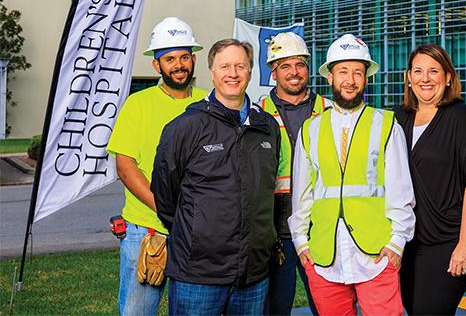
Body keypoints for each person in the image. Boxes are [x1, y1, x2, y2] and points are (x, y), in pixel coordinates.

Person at [151, 39, 281, 316]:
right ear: (212, 72)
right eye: (225, 66)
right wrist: (196, 232)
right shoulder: (186, 127)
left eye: (240, 66)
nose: (233, 73)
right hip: (198, 274)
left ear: (250, 72)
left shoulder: (267, 127)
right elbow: (165, 195)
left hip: (253, 273)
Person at [288, 34, 415, 316]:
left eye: (358, 72)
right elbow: (302, 194)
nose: (350, 80)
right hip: (324, 257)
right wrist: (301, 243)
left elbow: (401, 190)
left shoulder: (386, 124)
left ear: (366, 78)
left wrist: (397, 243)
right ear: (330, 77)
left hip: (377, 255)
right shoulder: (310, 130)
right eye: (343, 72)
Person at [106, 17, 206, 315]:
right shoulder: (138, 104)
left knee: (196, 310)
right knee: (138, 311)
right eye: (169, 59)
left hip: (200, 232)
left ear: (194, 59)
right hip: (147, 230)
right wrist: (167, 210)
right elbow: (125, 167)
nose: (179, 65)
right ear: (156, 65)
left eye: (184, 57)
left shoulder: (209, 102)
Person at [394, 44, 466, 315]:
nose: (425, 78)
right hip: (409, 239)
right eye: (418, 71)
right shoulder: (399, 118)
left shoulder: (460, 117)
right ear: (409, 78)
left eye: (433, 71)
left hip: (449, 238)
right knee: (414, 308)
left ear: (448, 78)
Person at [262, 32, 331, 316]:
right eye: (285, 66)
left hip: (322, 227)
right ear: (274, 72)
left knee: (329, 307)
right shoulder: (257, 113)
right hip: (275, 229)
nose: (294, 72)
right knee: (275, 308)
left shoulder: (330, 110)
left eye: (300, 64)